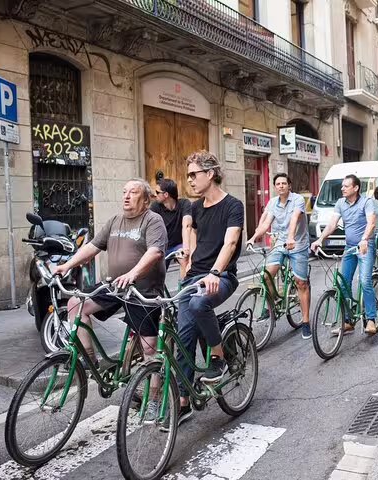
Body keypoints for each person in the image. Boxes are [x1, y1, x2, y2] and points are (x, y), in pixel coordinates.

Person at [53, 178, 167, 366]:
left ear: (146, 200)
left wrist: (133, 274)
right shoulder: (115, 221)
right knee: (75, 304)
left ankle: (153, 393)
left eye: (133, 192)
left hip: (142, 292)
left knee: (149, 347)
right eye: (124, 192)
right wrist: (67, 265)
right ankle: (89, 359)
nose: (127, 197)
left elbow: (155, 252)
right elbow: (92, 246)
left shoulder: (153, 220)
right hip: (116, 286)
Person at [176, 150, 244, 424]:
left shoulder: (233, 206)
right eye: (188, 176)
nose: (189, 180)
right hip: (194, 277)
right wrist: (185, 260)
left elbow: (230, 242)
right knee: (182, 339)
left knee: (199, 303)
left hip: (222, 275)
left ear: (211, 173)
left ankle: (218, 357)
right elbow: (190, 239)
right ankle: (183, 402)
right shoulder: (194, 208)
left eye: (194, 175)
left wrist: (216, 271)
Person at [247, 173, 312, 339]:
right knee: (266, 275)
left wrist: (291, 237)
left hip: (297, 244)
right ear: (275, 187)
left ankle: (305, 322)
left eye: (284, 183)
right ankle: (273, 304)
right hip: (280, 243)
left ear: (289, 186)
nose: (281, 186)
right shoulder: (273, 202)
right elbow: (266, 223)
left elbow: (295, 219)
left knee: (301, 283)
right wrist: (254, 238)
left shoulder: (297, 200)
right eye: (278, 184)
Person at [311, 174, 378, 335]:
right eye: (342, 186)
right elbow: (332, 224)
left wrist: (364, 239)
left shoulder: (366, 202)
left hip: (365, 246)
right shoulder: (340, 203)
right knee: (343, 284)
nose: (342, 188)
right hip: (349, 247)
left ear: (355, 188)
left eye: (346, 186)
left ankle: (370, 319)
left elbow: (372, 223)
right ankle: (348, 320)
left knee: (364, 281)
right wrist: (320, 239)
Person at [151, 178, 192, 271]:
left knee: (184, 260)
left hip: (178, 245)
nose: (155, 194)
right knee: (155, 272)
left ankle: (183, 285)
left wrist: (186, 247)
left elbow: (187, 225)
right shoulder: (155, 207)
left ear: (166, 195)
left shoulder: (184, 204)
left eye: (157, 192)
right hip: (162, 247)